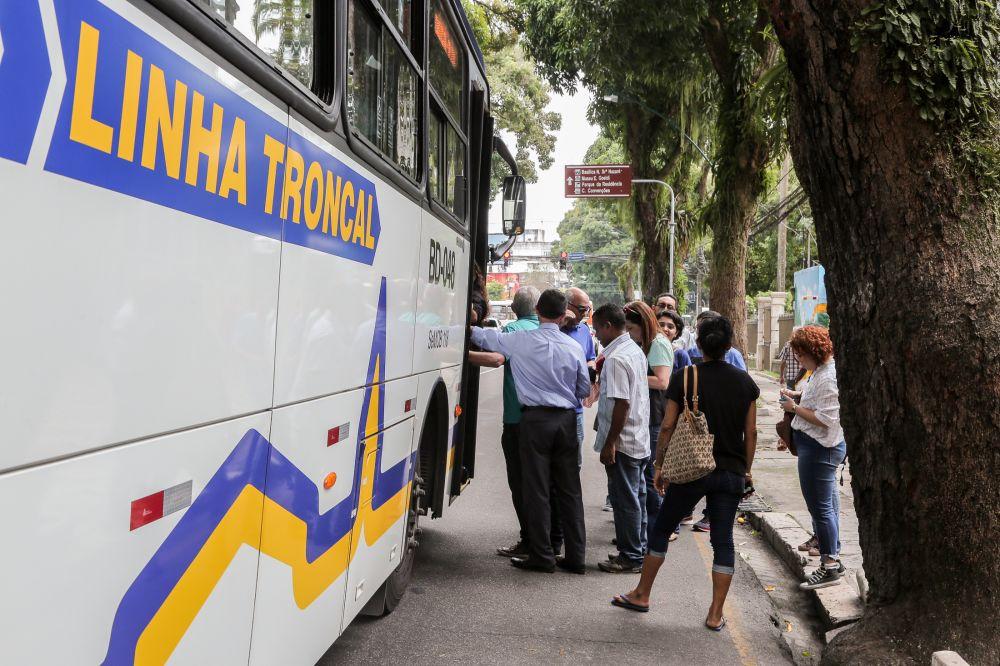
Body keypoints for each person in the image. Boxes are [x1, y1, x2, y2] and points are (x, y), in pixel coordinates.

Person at [611, 315, 759, 631]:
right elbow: (752, 431)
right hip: (730, 470)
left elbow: (667, 426)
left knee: (663, 527)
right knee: (723, 540)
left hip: (691, 467)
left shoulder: (685, 376)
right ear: (729, 346)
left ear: (699, 345)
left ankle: (642, 594)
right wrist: (746, 471)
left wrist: (661, 465)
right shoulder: (746, 383)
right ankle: (716, 613)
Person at [471, 289, 591, 574]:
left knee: (536, 490)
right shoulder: (573, 347)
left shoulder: (520, 340)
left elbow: (485, 337)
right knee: (570, 491)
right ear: (564, 316)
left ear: (537, 310)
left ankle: (542, 555)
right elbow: (584, 390)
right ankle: (576, 558)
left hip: (534, 422)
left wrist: (465, 325)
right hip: (565, 421)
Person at [779, 326, 846, 590]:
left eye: (799, 354)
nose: (798, 360)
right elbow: (817, 401)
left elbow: (826, 420)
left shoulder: (828, 376)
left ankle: (829, 565)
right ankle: (833, 556)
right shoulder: (820, 371)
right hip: (816, 448)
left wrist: (794, 408)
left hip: (820, 449)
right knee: (826, 506)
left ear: (811, 352)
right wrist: (798, 396)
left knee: (821, 508)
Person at [592, 304, 651, 574]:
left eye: (597, 329)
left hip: (624, 442)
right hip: (638, 438)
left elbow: (621, 404)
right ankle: (637, 550)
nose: (596, 335)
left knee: (625, 500)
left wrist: (610, 442)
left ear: (607, 326)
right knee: (636, 496)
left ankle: (630, 556)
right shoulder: (633, 350)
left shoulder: (616, 359)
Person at [494, 286, 545, 559]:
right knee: (542, 483)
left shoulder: (512, 331)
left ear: (514, 309)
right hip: (548, 419)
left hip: (516, 419)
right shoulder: (551, 331)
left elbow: (496, 358)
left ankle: (529, 539)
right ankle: (546, 539)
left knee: (520, 482)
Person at [624, 302, 673, 545]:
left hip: (656, 416)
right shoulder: (646, 342)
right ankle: (644, 536)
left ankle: (656, 535)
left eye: (632, 329)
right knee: (644, 479)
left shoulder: (658, 343)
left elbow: (662, 381)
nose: (630, 334)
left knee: (652, 480)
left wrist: (630, 374)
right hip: (647, 415)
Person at [562, 287, 597, 465]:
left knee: (575, 463)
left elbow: (591, 358)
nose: (585, 314)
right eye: (582, 309)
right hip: (551, 411)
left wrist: (589, 372)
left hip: (575, 410)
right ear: (567, 306)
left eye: (587, 310)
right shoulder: (551, 329)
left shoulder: (583, 331)